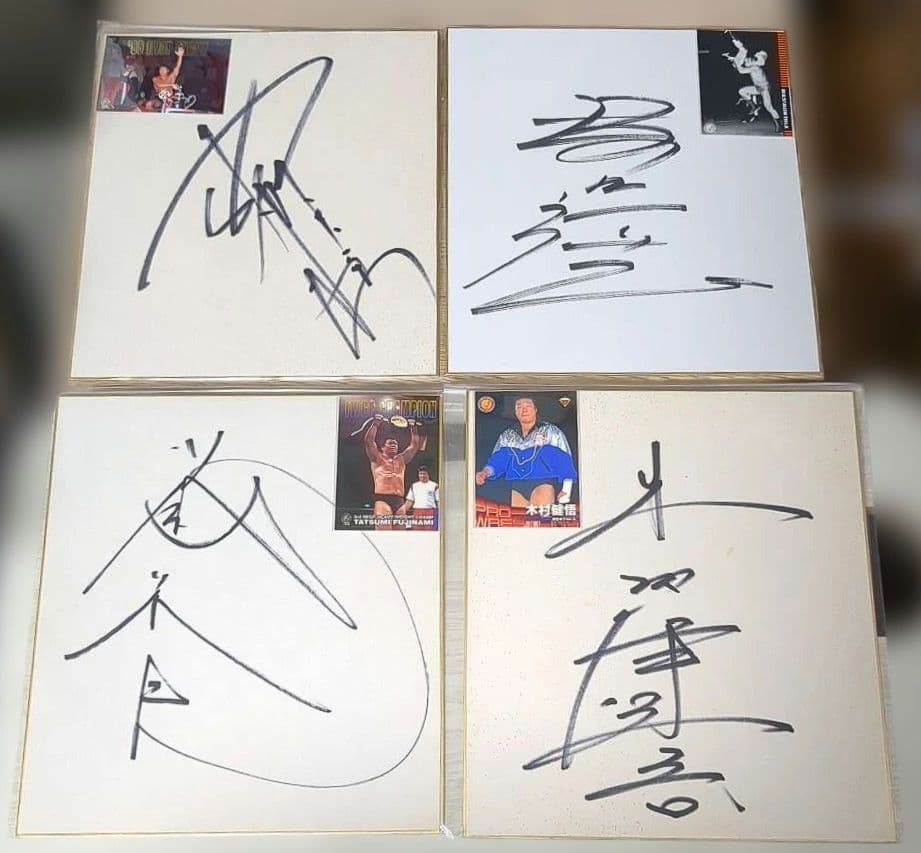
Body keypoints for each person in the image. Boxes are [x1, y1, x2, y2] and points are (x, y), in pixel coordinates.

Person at [474, 396, 576, 508]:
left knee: (539, 517)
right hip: (515, 485)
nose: (524, 410)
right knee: (519, 518)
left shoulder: (552, 431)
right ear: (515, 411)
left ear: (535, 409)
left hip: (543, 483)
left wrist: (566, 490)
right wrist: (485, 473)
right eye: (519, 407)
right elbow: (497, 461)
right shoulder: (507, 435)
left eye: (528, 406)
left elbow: (564, 461)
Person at [364, 415, 423, 519]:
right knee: (384, 528)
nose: (394, 445)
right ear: (382, 447)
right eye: (390, 443)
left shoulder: (401, 459)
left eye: (395, 444)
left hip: (400, 500)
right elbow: (369, 440)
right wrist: (376, 423)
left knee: (401, 529)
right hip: (382, 499)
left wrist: (413, 428)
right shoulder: (377, 458)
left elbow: (414, 445)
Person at [724, 36, 780, 131]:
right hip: (757, 87)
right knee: (742, 91)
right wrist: (734, 57)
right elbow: (743, 59)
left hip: (764, 89)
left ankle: (779, 124)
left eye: (753, 59)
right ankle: (754, 107)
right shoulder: (753, 64)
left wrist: (736, 61)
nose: (750, 60)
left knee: (769, 107)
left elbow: (741, 70)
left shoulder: (756, 67)